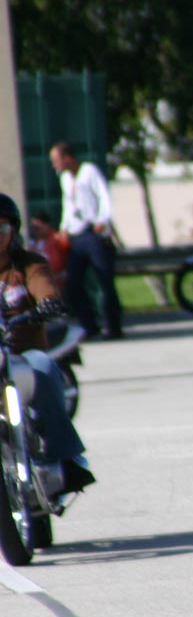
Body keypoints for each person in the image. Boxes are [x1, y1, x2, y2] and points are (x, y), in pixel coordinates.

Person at [0, 193, 95, 494]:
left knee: (44, 366)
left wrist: (49, 301)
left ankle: (65, 457)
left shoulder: (28, 264)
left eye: (2, 228)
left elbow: (43, 286)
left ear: (13, 231)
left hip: (21, 357)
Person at [49, 141, 124, 340]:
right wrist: (64, 227)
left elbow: (104, 196)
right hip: (77, 235)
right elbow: (68, 204)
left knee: (104, 281)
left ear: (67, 158)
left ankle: (113, 326)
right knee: (74, 282)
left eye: (57, 160)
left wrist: (103, 219)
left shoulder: (89, 171)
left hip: (93, 233)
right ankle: (89, 325)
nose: (55, 165)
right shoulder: (65, 178)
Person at [28, 211, 70, 288]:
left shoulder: (57, 239)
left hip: (59, 283)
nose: (36, 231)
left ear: (47, 225)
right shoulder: (34, 244)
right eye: (34, 229)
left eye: (38, 228)